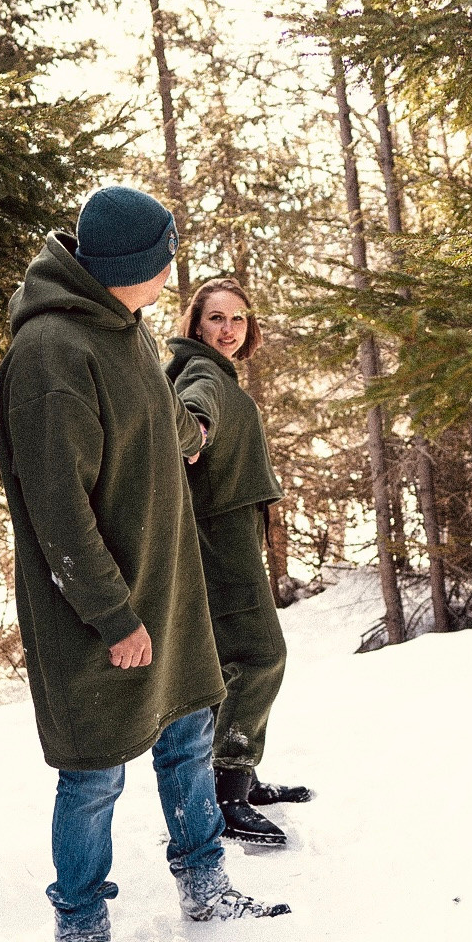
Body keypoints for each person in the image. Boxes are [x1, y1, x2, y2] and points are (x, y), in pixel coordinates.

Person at [0, 188, 288, 942]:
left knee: (189, 735)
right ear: (136, 264)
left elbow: (156, 440)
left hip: (169, 589)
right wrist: (114, 616)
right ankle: (82, 930)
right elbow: (58, 511)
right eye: (166, 254)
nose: (172, 268)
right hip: (103, 611)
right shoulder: (53, 355)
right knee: (94, 773)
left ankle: (205, 883)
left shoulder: (123, 328)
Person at [167, 278, 313, 849]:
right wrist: (193, 434)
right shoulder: (202, 375)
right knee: (260, 654)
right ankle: (228, 792)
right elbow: (192, 421)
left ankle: (240, 778)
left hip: (222, 531)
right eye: (216, 318)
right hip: (217, 538)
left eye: (239, 319)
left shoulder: (204, 370)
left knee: (235, 657)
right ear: (196, 324)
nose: (228, 330)